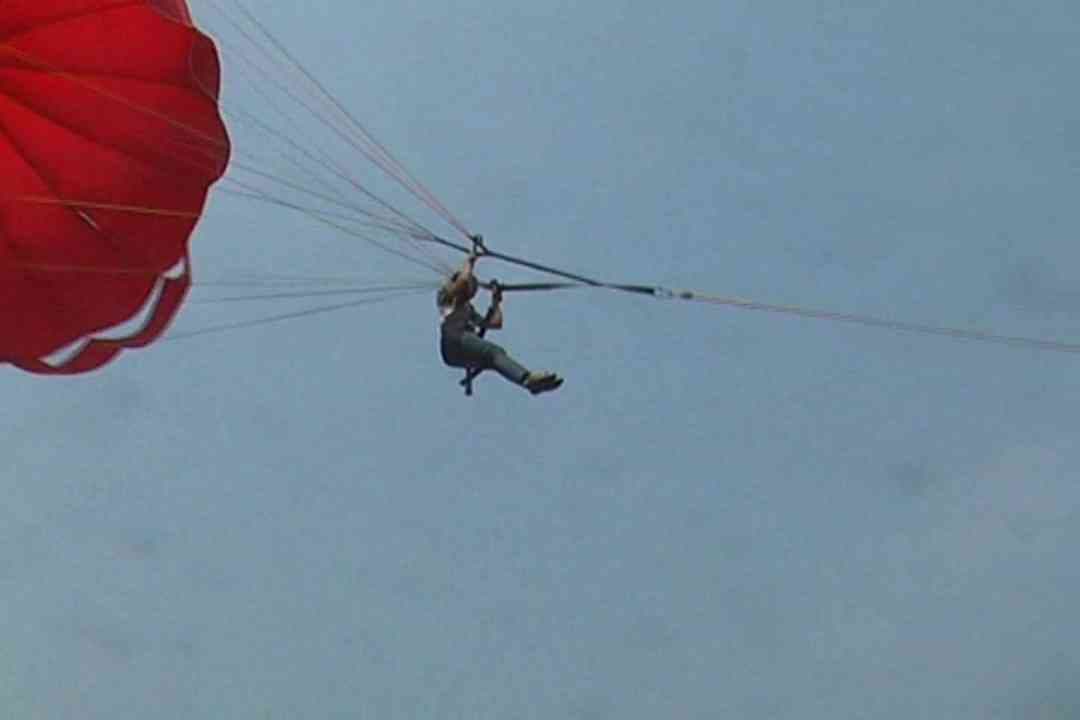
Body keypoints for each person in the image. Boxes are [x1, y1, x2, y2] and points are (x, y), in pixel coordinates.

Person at [437, 249, 563, 395]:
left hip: (454, 354)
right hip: (454, 340)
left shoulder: (468, 310)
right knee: (494, 353)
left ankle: (527, 382)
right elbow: (463, 281)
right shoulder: (446, 298)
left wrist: (495, 302)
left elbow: (495, 323)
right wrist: (470, 261)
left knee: (495, 360)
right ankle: (527, 378)